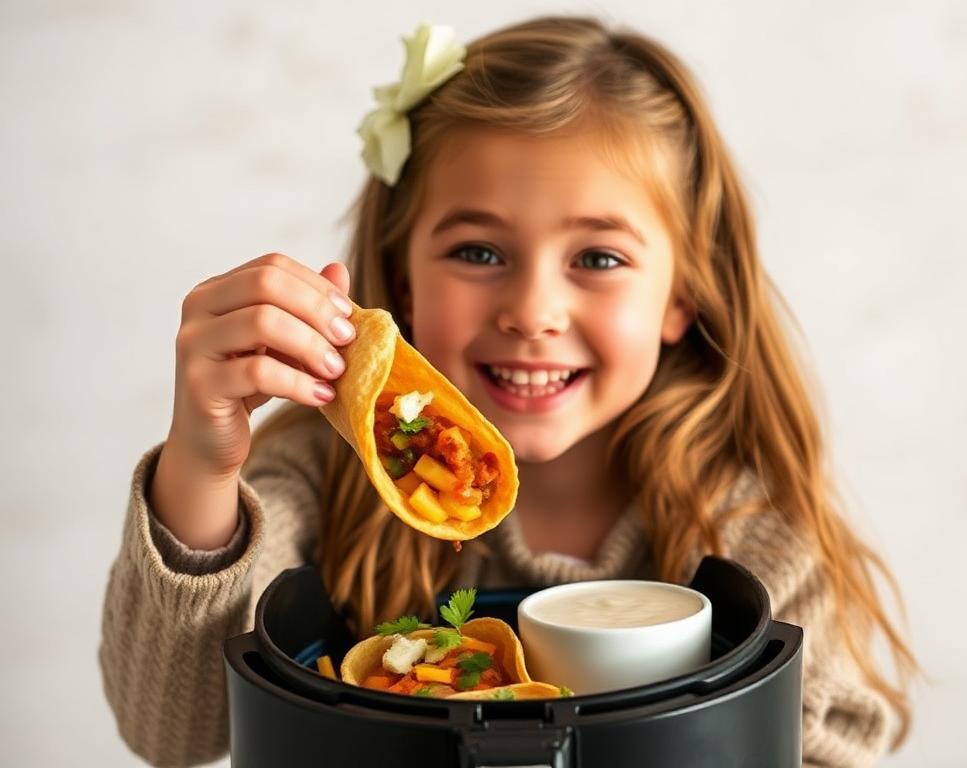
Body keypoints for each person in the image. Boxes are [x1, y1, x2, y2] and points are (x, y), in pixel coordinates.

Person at [100, 15, 917, 767]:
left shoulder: (752, 535)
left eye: (597, 259)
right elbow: (172, 731)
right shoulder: (319, 484)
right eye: (479, 253)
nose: (531, 313)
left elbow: (831, 747)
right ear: (405, 280)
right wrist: (203, 468)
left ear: (682, 297)